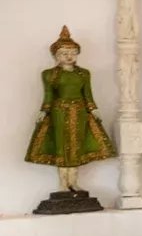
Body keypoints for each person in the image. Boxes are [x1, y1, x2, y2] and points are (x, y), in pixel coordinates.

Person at [25, 26, 114, 195]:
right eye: (64, 53)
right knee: (61, 146)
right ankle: (63, 185)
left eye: (73, 53)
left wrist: (93, 109)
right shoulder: (50, 74)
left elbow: (88, 94)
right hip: (59, 112)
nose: (69, 56)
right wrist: (44, 111)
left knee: (77, 145)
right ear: (56, 56)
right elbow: (49, 95)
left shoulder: (83, 74)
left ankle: (74, 183)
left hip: (80, 112)